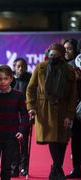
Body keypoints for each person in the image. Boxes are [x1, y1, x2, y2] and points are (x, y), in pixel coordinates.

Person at [26, 43, 77, 179]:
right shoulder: (41, 68)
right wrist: (31, 107)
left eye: (56, 55)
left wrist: (70, 115)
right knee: (52, 139)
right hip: (44, 110)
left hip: (63, 109)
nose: (52, 57)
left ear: (61, 56)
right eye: (51, 54)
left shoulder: (69, 70)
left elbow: (73, 95)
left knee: (62, 140)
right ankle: (58, 171)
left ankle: (55, 169)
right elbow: (31, 88)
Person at [0, 64, 29, 180]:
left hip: (11, 135)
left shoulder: (18, 95)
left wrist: (21, 130)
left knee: (6, 166)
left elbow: (24, 114)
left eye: (6, 79)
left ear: (11, 78)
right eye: (0, 79)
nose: (3, 82)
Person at [10, 58, 32, 177]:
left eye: (23, 66)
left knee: (23, 142)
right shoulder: (10, 79)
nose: (21, 68)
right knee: (13, 143)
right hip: (12, 115)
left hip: (25, 115)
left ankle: (24, 167)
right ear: (14, 67)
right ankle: (14, 168)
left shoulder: (30, 78)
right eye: (18, 66)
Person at [62, 38, 81, 179]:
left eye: (69, 49)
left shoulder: (76, 64)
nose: (67, 51)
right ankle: (76, 168)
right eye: (65, 48)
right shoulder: (66, 66)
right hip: (75, 109)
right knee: (76, 139)